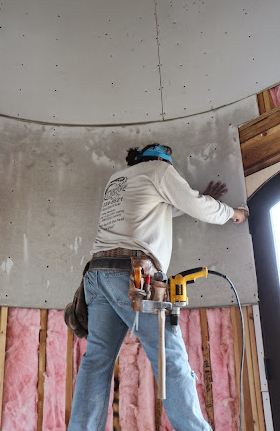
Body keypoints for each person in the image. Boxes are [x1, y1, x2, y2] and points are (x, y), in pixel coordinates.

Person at [68, 143, 248, 431]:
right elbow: (196, 206)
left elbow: (159, 209)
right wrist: (234, 213)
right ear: (164, 161)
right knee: (170, 356)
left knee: (96, 361)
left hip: (98, 275)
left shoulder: (119, 178)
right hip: (132, 275)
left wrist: (195, 201)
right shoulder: (161, 170)